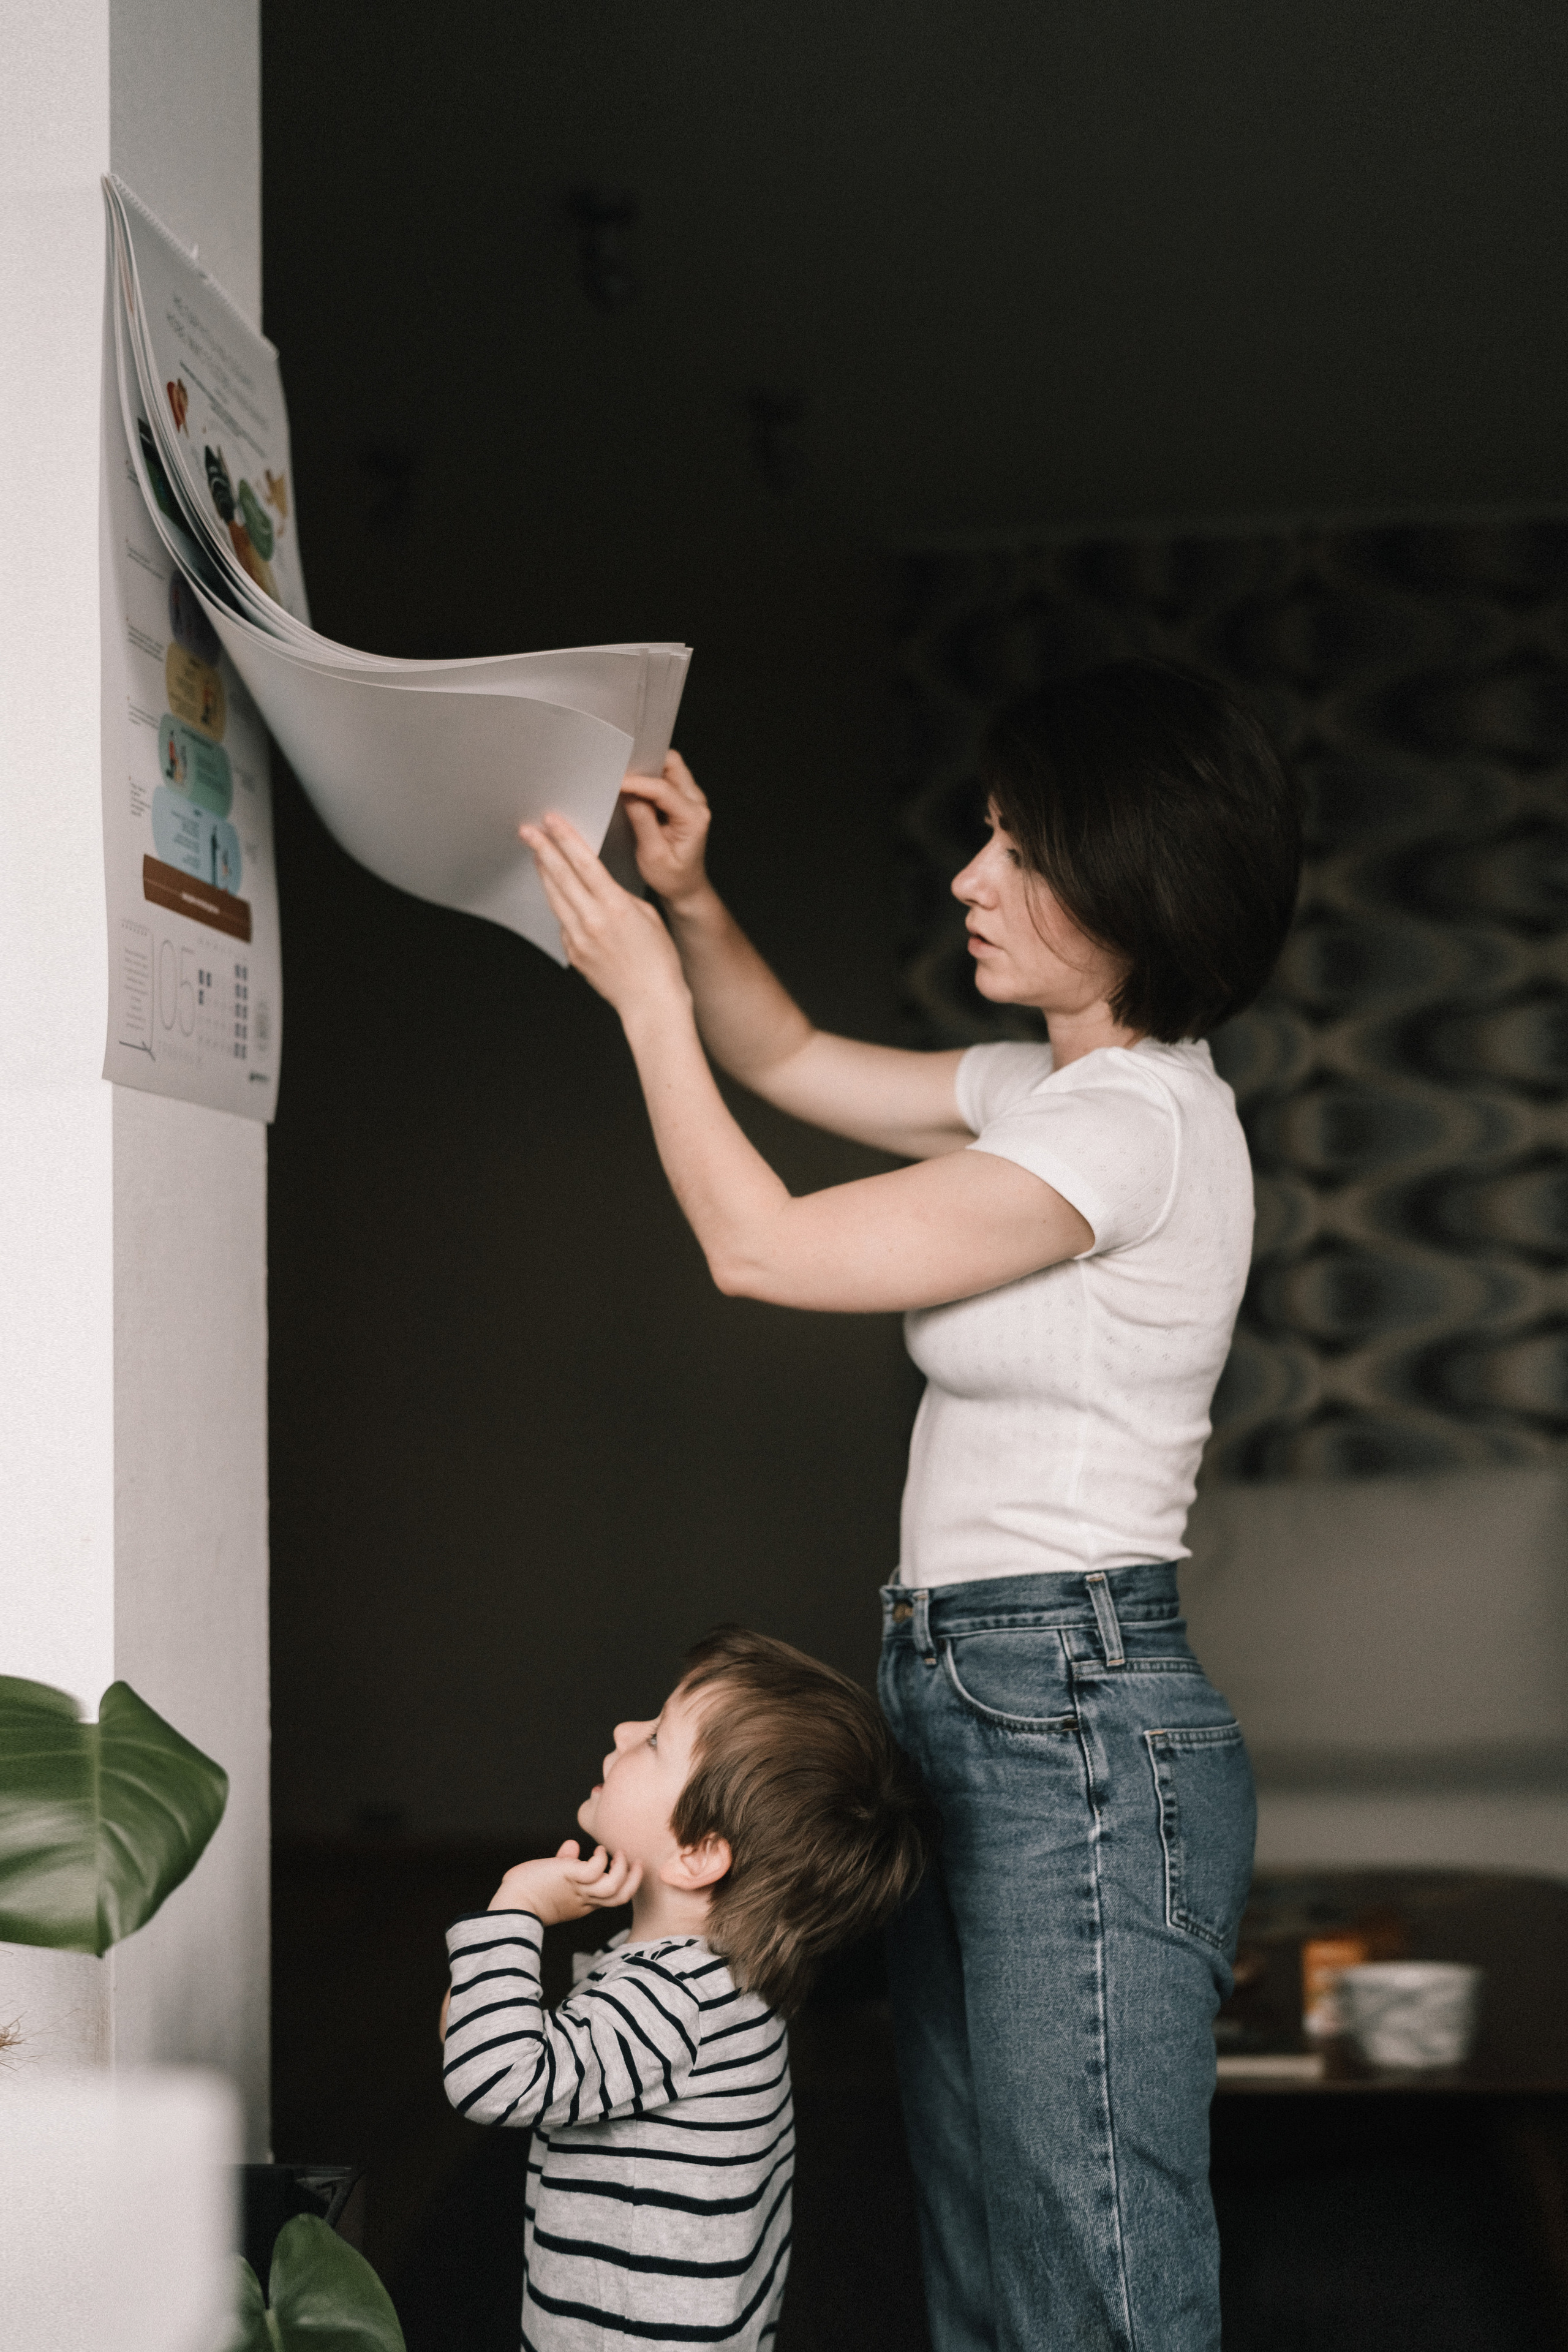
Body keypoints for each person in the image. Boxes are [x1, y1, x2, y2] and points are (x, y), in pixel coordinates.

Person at [518, 658, 1302, 2352]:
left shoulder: (1142, 1130)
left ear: (1137, 883)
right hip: (975, 1694)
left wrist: (644, 1000)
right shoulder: (1054, 1092)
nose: (972, 875)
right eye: (987, 837)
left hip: (1069, 1717)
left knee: (1086, 2242)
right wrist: (693, 904)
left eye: (1021, 849)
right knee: (981, 2224)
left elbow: (764, 1247)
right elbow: (791, 1057)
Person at [440, 1624, 932, 2352]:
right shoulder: (717, 1976)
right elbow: (488, 2047)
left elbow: (490, 2078)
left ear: (700, 1853)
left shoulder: (666, 1998)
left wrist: (516, 1907)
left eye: (654, 1742)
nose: (623, 1729)